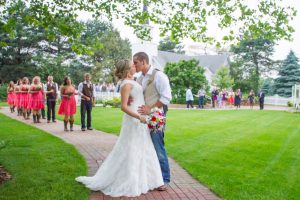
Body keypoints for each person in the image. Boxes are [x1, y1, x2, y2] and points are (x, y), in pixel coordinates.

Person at [76, 59, 164, 197]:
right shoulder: (126, 84)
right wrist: (139, 117)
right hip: (134, 118)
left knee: (144, 146)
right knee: (131, 147)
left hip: (141, 116)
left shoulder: (134, 80)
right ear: (127, 69)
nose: (135, 66)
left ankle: (148, 179)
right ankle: (131, 180)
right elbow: (123, 107)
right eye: (132, 65)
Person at [134, 52, 172, 191]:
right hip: (142, 119)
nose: (134, 65)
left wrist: (151, 108)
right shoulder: (138, 79)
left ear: (144, 61)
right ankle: (150, 178)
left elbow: (166, 98)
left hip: (156, 117)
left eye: (136, 62)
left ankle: (165, 179)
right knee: (145, 147)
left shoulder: (159, 76)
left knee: (158, 147)